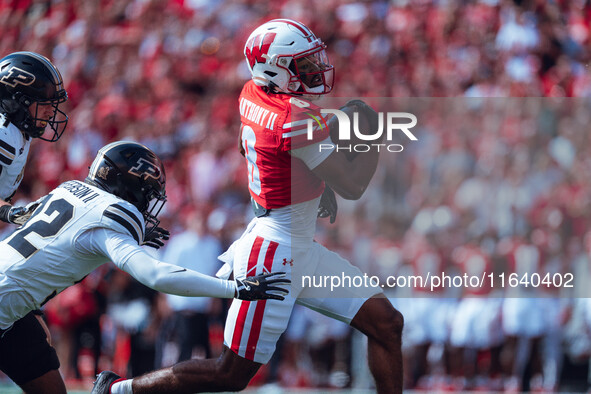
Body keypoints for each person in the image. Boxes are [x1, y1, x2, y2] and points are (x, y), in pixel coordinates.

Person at [93, 19, 403, 394]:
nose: (313, 72)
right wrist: (369, 137)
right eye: (302, 66)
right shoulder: (293, 119)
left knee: (385, 323)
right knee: (230, 373)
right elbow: (353, 186)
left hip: (294, 241)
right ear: (274, 68)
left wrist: (308, 186)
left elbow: (252, 147)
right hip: (275, 254)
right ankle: (116, 391)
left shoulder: (253, 91)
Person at [0, 141, 290, 394]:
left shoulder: (69, 190)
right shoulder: (110, 222)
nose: (148, 204)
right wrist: (234, 288)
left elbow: (20, 215)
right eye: (147, 193)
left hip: (12, 307)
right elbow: (156, 274)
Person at [0, 51, 69, 224]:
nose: (51, 111)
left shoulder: (16, 130)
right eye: (44, 103)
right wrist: (10, 213)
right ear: (17, 101)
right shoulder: (4, 134)